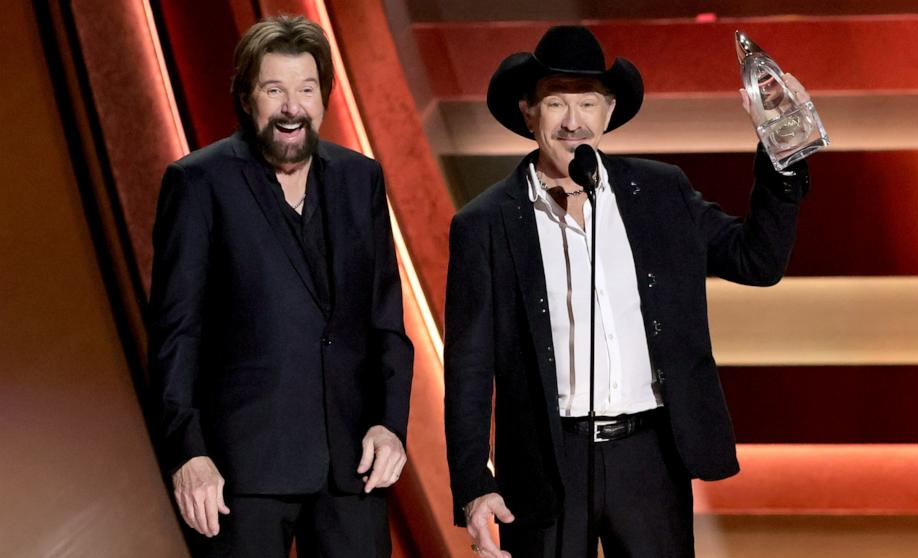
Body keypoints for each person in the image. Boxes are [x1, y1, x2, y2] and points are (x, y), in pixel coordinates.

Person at [444, 26, 811, 557]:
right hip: (545, 462)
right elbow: (469, 368)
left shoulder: (660, 193)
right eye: (556, 103)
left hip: (649, 458)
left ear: (608, 112)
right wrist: (474, 484)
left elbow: (757, 261)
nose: (574, 121)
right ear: (528, 112)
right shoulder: (484, 224)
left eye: (588, 102)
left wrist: (783, 159)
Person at [148, 15, 412, 558]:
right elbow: (176, 333)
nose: (291, 106)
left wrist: (390, 424)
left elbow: (385, 322)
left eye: (306, 89)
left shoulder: (361, 177)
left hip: (352, 468)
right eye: (274, 90)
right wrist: (188, 453)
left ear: (324, 98)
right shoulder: (198, 182)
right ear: (248, 99)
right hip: (240, 473)